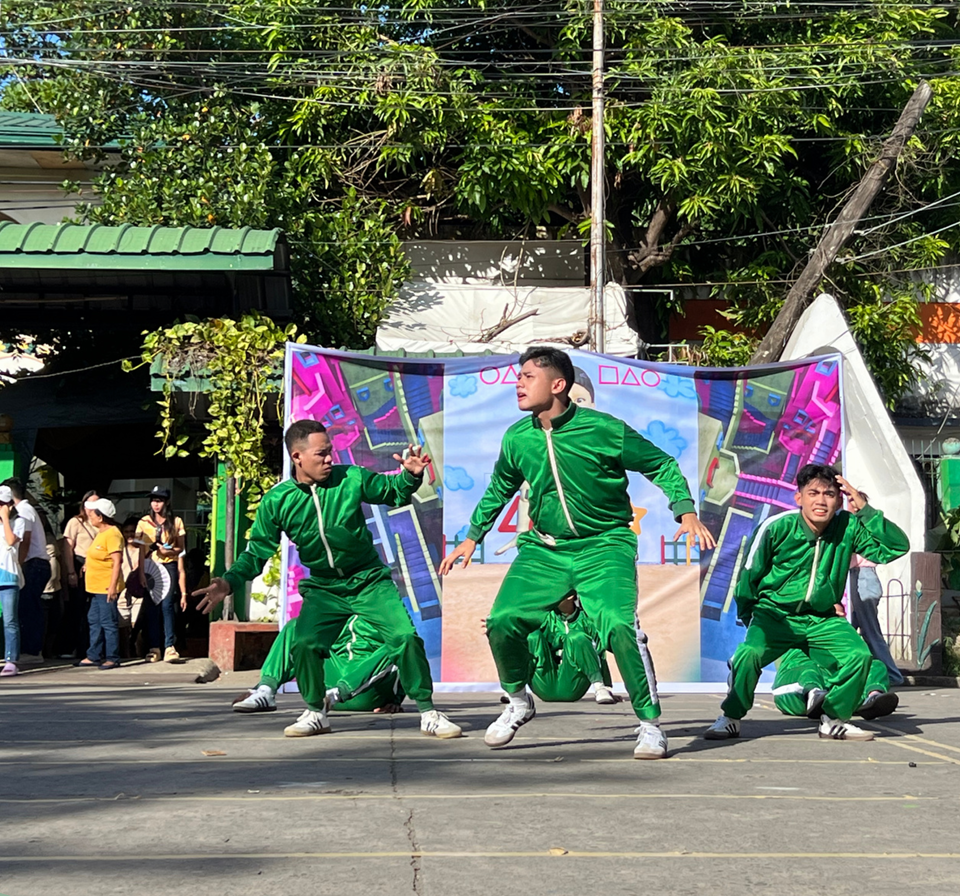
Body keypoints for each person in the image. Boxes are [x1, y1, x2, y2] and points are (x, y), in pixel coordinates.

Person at [439, 346, 715, 759]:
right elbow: (500, 486)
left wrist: (685, 511)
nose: (518, 382)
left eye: (528, 376)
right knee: (502, 620)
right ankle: (517, 702)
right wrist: (473, 535)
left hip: (604, 546)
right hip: (544, 549)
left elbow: (661, 463)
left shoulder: (604, 430)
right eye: (519, 375)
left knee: (620, 626)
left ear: (558, 385)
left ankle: (650, 726)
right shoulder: (518, 437)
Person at [194, 419, 461, 740]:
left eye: (330, 452)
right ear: (297, 457)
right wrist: (229, 582)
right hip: (324, 587)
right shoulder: (277, 501)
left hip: (368, 581)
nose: (329, 459)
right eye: (321, 454)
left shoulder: (351, 478)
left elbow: (392, 492)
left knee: (404, 638)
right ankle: (316, 712)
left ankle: (429, 712)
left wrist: (411, 475)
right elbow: (256, 553)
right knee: (306, 643)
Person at [704, 464, 910, 743]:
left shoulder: (848, 527)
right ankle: (730, 718)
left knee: (859, 656)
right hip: (775, 615)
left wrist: (864, 510)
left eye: (829, 493)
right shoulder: (778, 527)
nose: (821, 500)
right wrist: (752, 616)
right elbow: (749, 575)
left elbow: (895, 547)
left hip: (823, 618)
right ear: (799, 497)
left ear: (839, 499)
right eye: (813, 493)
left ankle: (834, 719)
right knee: (749, 654)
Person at [232, 614, 405, 718]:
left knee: (400, 642)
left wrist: (397, 699)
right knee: (296, 626)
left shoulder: (384, 602)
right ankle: (265, 691)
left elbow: (408, 646)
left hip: (369, 692)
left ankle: (335, 695)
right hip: (327, 686)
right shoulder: (331, 599)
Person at [504, 593, 617, 705]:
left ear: (571, 595)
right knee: (532, 636)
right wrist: (500, 626)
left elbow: (600, 653)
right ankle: (516, 690)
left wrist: (607, 687)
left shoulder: (587, 620)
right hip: (544, 681)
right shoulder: (544, 617)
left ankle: (599, 687)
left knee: (577, 637)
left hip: (574, 684)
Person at [848, 490, 905, 686]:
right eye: (849, 501)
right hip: (856, 579)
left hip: (864, 578)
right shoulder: (849, 524)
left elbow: (860, 556)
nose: (852, 505)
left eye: (856, 502)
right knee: (847, 628)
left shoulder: (865, 526)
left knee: (870, 631)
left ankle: (891, 675)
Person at [772, 648, 899, 722]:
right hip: (796, 667)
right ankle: (814, 696)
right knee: (809, 672)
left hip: (831, 671)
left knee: (874, 665)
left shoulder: (834, 625)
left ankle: (872, 697)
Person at [2, 479, 51, 664]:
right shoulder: (25, 510)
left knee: (29, 608)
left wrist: (18, 565)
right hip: (33, 564)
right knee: (26, 608)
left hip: (33, 563)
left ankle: (32, 650)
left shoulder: (23, 511)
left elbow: (25, 542)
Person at [137, 486, 187, 662]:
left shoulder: (176, 522)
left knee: (167, 605)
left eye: (158, 500)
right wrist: (141, 572)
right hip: (150, 566)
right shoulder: (143, 522)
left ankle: (169, 646)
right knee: (152, 607)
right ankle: (154, 647)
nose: (155, 504)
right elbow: (139, 548)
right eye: (153, 500)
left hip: (169, 565)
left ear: (166, 502)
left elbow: (181, 547)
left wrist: (170, 551)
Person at [75, 498, 123, 670]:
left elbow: (117, 561)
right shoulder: (101, 534)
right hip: (94, 587)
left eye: (93, 513)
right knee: (93, 619)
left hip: (105, 586)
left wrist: (112, 586)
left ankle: (112, 656)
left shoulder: (113, 534)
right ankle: (93, 654)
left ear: (101, 517)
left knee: (108, 621)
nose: (90, 516)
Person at [60, 490, 100, 659]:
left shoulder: (102, 524)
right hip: (79, 564)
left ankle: (89, 647)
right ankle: (71, 646)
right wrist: (70, 571)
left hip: (97, 566)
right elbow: (67, 547)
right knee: (77, 607)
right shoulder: (75, 522)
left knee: (94, 609)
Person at [0, 485, 23, 676]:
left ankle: (11, 659)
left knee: (9, 619)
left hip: (9, 576)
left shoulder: (19, 521)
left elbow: (10, 540)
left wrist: (5, 518)